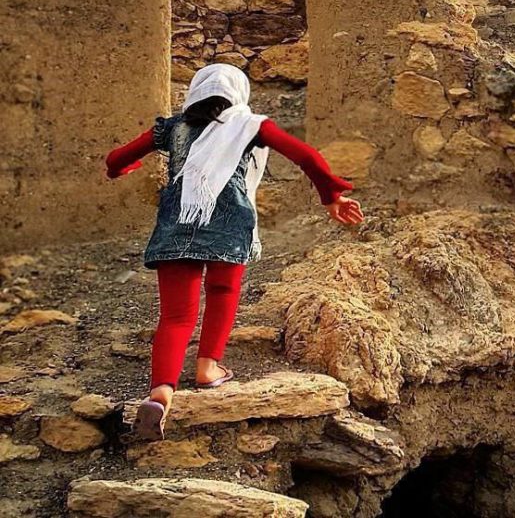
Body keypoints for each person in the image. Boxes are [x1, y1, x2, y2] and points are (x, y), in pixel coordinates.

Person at [104, 63, 363, 441]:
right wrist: (331, 196)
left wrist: (120, 170)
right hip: (229, 226)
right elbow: (306, 156)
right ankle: (208, 368)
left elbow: (116, 158)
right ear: (238, 93)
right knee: (223, 295)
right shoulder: (252, 124)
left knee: (176, 315)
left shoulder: (173, 127)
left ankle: (160, 394)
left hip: (177, 223)